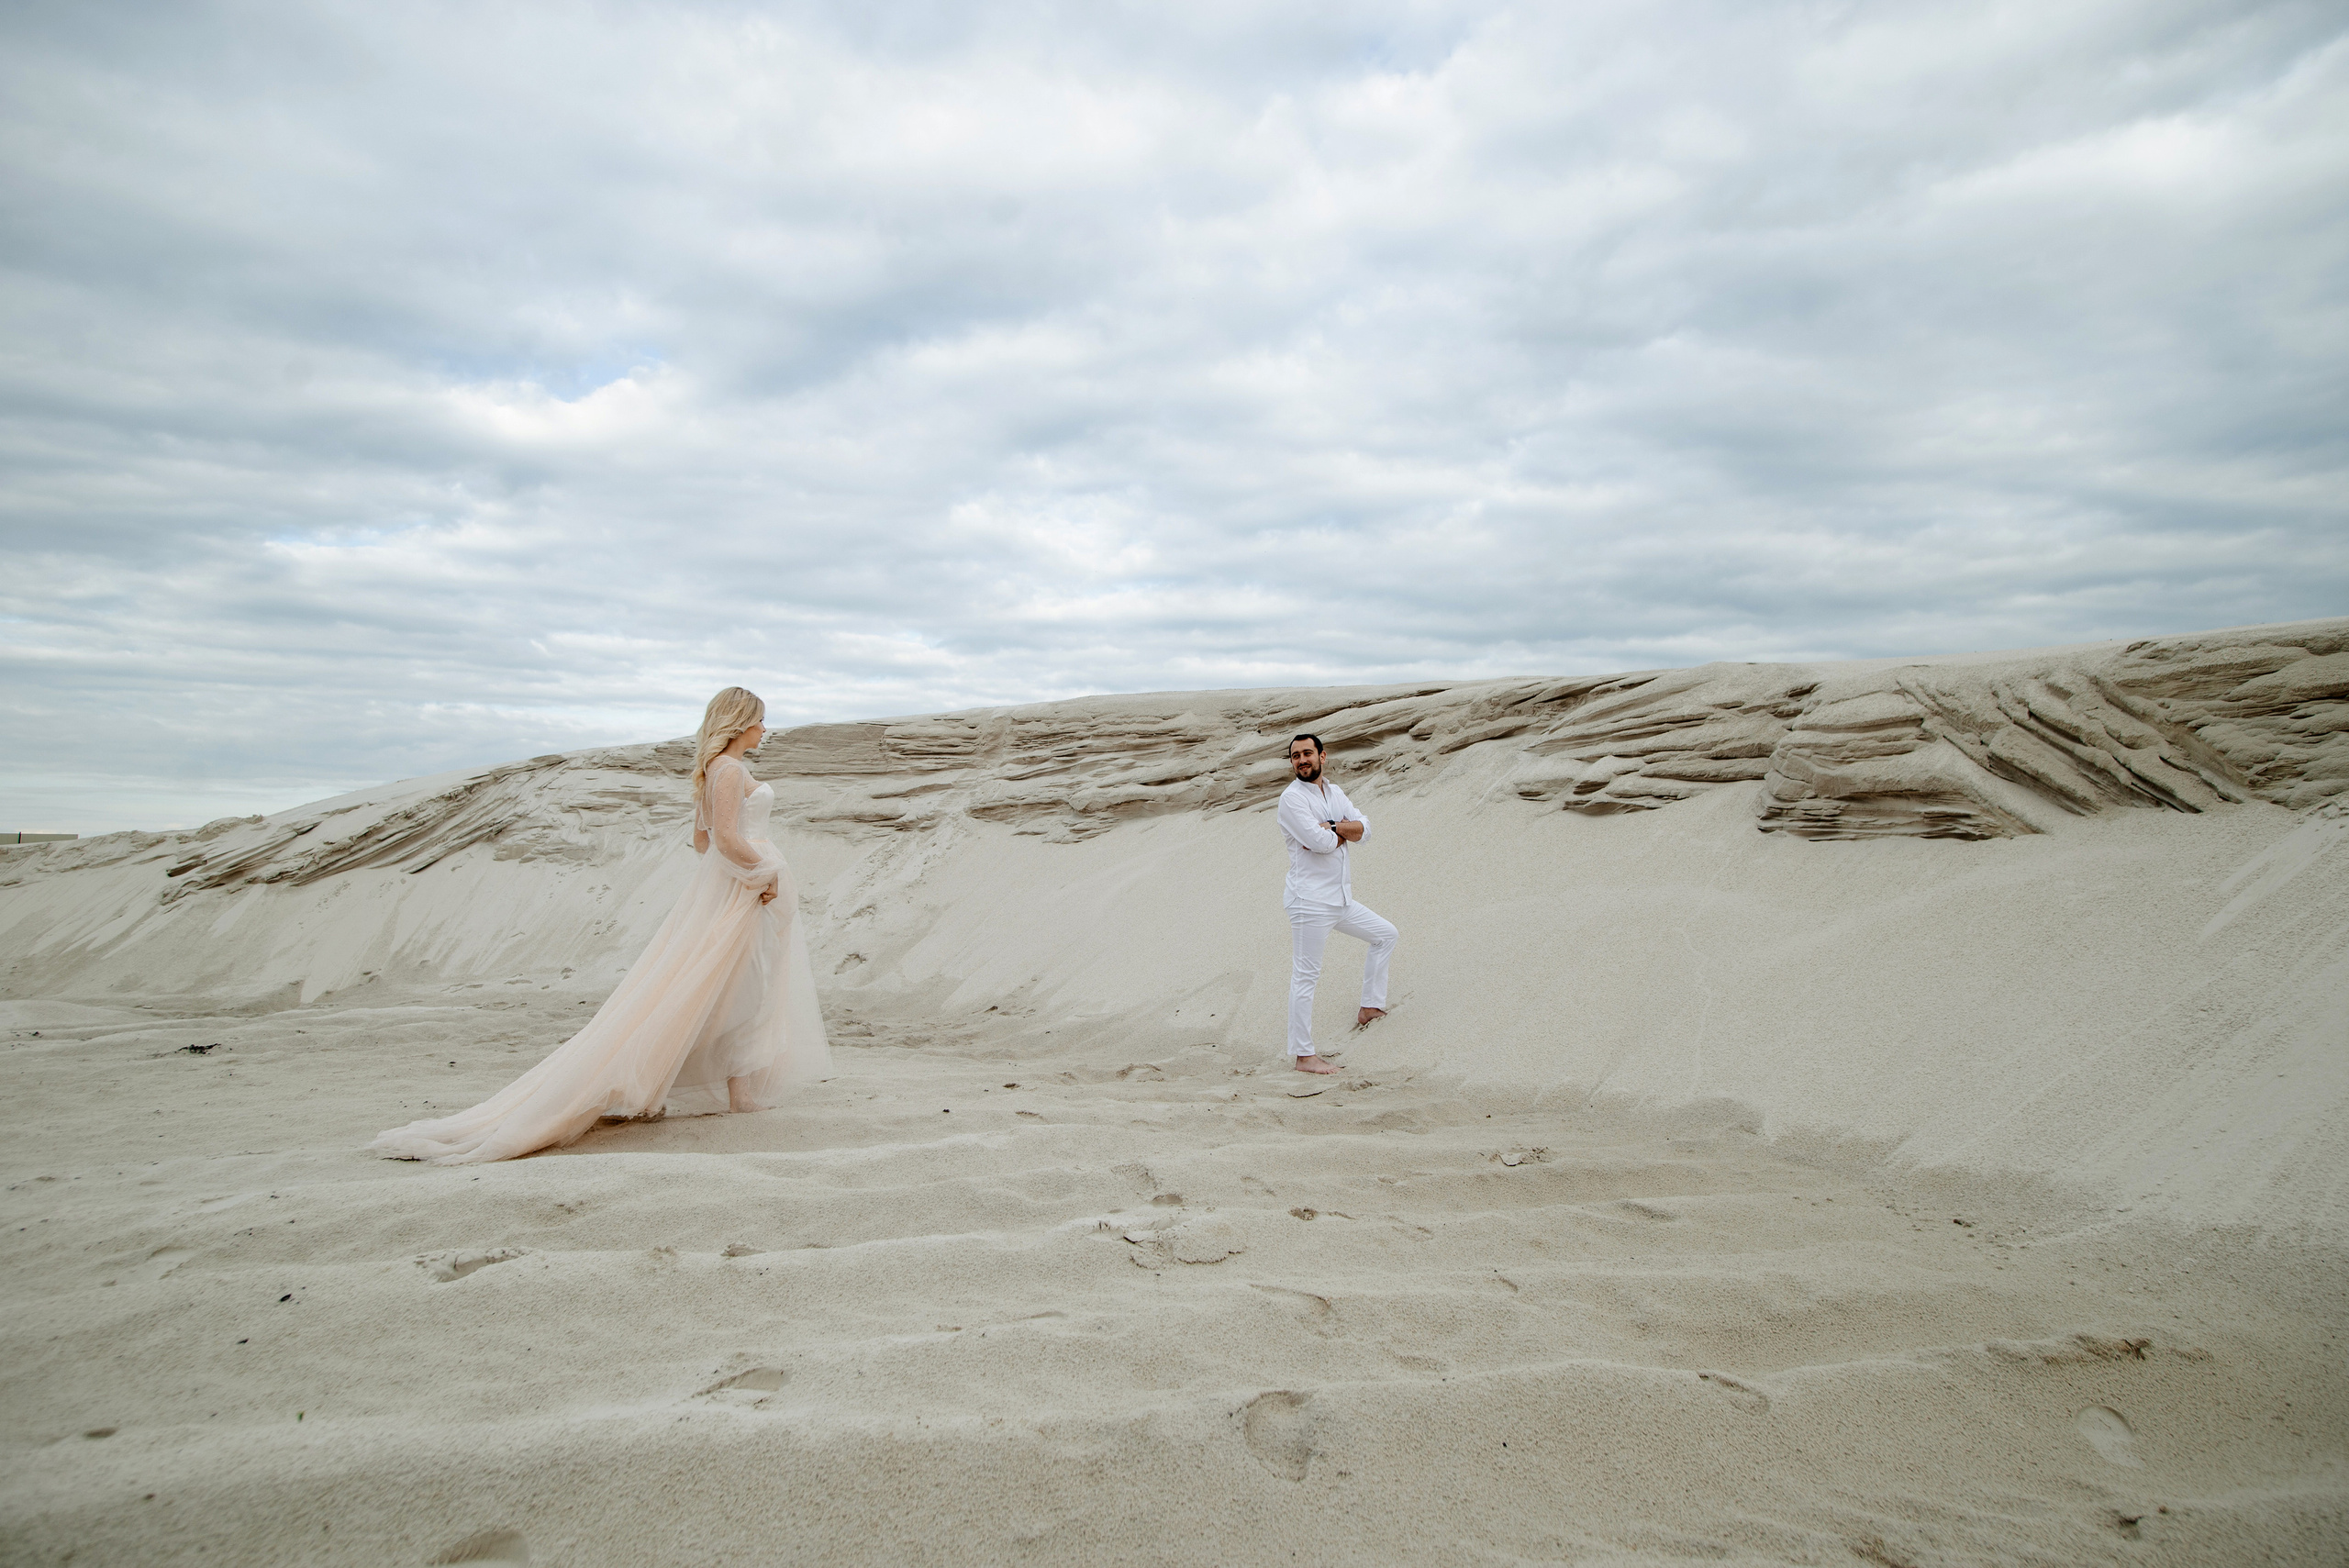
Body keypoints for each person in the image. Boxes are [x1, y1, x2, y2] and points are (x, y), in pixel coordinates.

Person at [370, 687, 831, 1163]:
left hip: (728, 886)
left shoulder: (715, 768)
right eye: (759, 720)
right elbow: (728, 838)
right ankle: (735, 1093)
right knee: (744, 985)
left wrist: (744, 871)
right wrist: (764, 874)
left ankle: (735, 1090)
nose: (764, 729)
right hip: (742, 887)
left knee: (732, 983)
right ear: (739, 723)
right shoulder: (730, 770)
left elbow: (701, 841)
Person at [1277, 733, 1397, 1074]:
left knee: (1386, 935)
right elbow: (1320, 844)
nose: (1302, 760)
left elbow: (1367, 830)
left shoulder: (1335, 792)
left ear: (1322, 756)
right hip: (1309, 902)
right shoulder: (1291, 800)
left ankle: (1370, 1008)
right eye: (1295, 756)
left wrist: (1333, 826)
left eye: (1307, 753)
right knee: (1306, 977)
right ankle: (1304, 1056)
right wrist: (1341, 833)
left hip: (1340, 899)